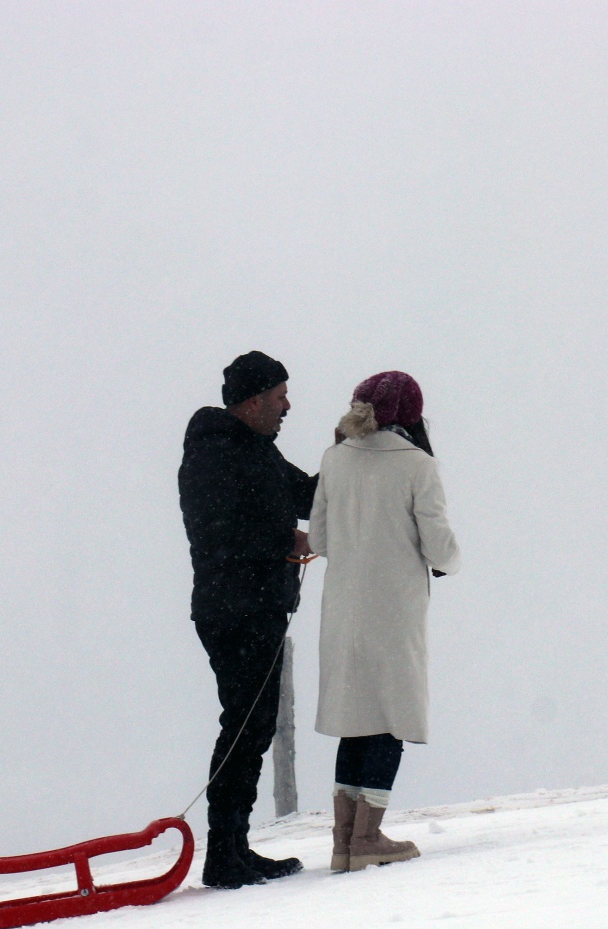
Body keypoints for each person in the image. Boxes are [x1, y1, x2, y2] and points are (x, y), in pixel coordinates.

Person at [309, 371, 460, 872]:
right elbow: (439, 546)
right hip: (393, 611)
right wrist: (449, 559)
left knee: (356, 722)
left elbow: (321, 541)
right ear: (412, 416)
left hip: (343, 611)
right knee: (389, 721)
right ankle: (368, 840)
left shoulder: (335, 460)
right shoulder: (418, 466)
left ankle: (343, 842)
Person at [178, 351, 318, 889]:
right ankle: (224, 854)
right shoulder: (215, 453)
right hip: (234, 609)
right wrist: (285, 542)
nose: (288, 406)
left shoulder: (256, 451)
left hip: (255, 606)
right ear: (254, 400)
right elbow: (219, 533)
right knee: (244, 726)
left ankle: (233, 848)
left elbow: (307, 494)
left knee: (252, 726)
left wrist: (360, 461)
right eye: (281, 396)